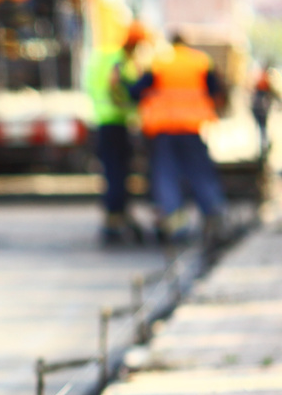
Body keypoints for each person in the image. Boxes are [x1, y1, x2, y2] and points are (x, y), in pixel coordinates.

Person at [128, 33, 226, 243]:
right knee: (200, 172)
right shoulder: (200, 61)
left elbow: (136, 92)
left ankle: (175, 225)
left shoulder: (160, 62)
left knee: (166, 175)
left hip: (163, 129)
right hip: (192, 127)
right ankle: (214, 215)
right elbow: (216, 90)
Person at [85, 21, 149, 244]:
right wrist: (131, 104)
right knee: (117, 173)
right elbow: (117, 90)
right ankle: (114, 221)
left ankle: (115, 219)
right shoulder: (118, 61)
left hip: (103, 122)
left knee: (113, 172)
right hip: (115, 124)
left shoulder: (102, 57)